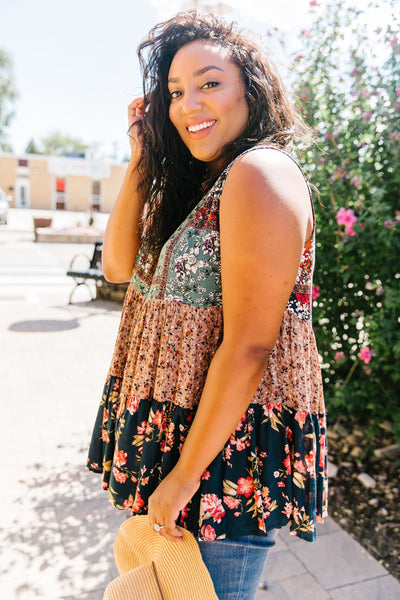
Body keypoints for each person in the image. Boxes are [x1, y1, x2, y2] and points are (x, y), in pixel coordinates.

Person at [87, 11, 328, 600]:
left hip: (218, 459)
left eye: (210, 82)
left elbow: (250, 344)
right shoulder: (205, 184)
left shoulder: (259, 172)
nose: (188, 103)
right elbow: (118, 267)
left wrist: (183, 478)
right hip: (190, 448)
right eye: (174, 92)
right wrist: (144, 153)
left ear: (252, 86)